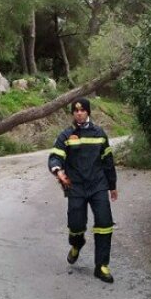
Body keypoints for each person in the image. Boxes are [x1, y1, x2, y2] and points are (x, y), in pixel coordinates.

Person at [48, 98, 118, 283]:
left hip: (97, 185)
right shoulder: (66, 135)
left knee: (104, 224)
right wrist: (58, 170)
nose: (79, 113)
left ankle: (101, 266)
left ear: (88, 112)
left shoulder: (99, 134)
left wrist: (112, 186)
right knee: (76, 225)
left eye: (82, 110)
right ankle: (77, 245)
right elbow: (56, 156)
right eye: (75, 111)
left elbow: (108, 161)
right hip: (76, 186)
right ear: (73, 113)